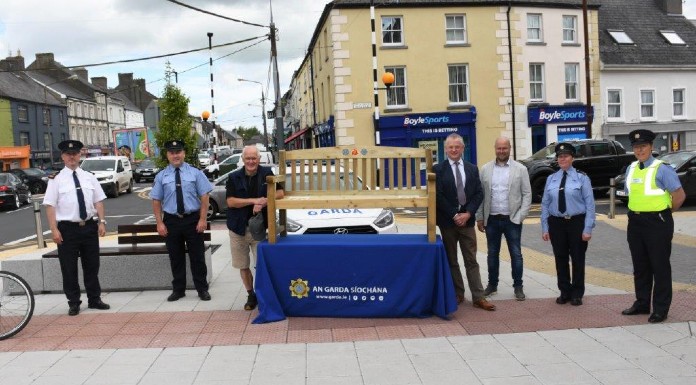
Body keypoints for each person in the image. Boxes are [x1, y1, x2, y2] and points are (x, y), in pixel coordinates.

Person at [621, 129, 685, 323]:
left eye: (643, 146)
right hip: (636, 222)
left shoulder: (662, 168)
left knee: (660, 266)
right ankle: (642, 303)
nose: (639, 150)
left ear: (651, 147)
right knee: (640, 266)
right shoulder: (631, 168)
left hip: (658, 222)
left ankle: (660, 309)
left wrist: (664, 213)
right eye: (636, 147)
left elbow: (679, 196)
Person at [43, 140, 110, 316]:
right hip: (67, 229)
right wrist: (54, 229)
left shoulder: (89, 176)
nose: (72, 157)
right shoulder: (55, 179)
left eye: (75, 154)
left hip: (88, 227)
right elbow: (50, 206)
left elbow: (98, 201)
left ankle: (94, 299)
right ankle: (74, 302)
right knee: (69, 268)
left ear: (80, 155)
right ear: (63, 157)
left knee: (92, 266)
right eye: (68, 154)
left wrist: (101, 222)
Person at [434, 133, 495, 311]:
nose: (453, 150)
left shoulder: (471, 168)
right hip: (448, 222)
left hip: (467, 222)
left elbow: (478, 193)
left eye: (457, 147)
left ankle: (478, 297)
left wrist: (468, 213)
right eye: (450, 147)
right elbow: (438, 196)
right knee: (452, 260)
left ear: (462, 148)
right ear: (445, 149)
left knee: (471, 260)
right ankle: (457, 293)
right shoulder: (438, 169)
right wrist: (455, 214)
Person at [150, 140, 213, 302]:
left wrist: (202, 219)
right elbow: (156, 200)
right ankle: (178, 289)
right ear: (167, 155)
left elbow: (204, 196)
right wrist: (159, 222)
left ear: (183, 153)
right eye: (172, 152)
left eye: (178, 152)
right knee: (175, 257)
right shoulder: (162, 176)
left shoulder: (195, 173)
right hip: (171, 221)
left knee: (197, 257)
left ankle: (202, 289)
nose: (175, 155)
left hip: (193, 220)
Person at [226, 145, 284, 310]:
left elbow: (280, 194)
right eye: (248, 158)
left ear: (259, 159)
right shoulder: (233, 177)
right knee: (243, 265)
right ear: (243, 159)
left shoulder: (267, 173)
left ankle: (263, 293)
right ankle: (251, 295)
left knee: (261, 265)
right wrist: (254, 201)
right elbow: (230, 202)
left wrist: (264, 201)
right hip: (237, 229)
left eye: (254, 158)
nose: (251, 161)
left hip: (260, 229)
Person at [476, 137, 532, 301]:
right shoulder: (485, 169)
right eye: (499, 148)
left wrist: (521, 216)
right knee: (492, 254)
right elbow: (481, 195)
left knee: (516, 254)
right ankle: (492, 285)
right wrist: (480, 217)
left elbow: (527, 194)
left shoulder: (520, 169)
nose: (502, 151)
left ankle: (518, 286)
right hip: (492, 219)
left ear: (510, 149)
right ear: (495, 149)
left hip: (512, 219)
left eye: (504, 148)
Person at [540, 143, 595, 306]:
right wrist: (545, 227)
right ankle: (564, 291)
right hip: (556, 223)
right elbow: (544, 204)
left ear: (572, 158)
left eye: (566, 156)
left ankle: (577, 293)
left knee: (578, 258)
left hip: (576, 222)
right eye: (560, 156)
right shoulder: (551, 178)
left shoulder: (582, 177)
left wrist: (588, 228)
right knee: (560, 258)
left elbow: (590, 204)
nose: (562, 159)